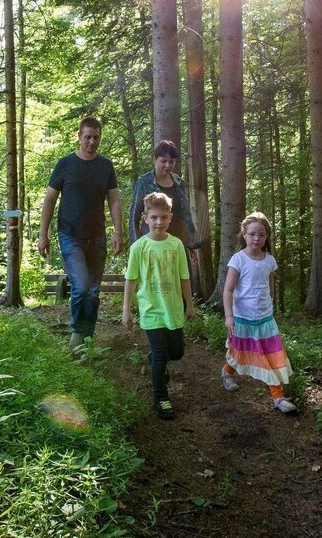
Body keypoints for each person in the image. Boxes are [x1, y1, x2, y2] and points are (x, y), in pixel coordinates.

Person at [38, 116, 123, 347]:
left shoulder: (105, 166)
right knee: (82, 286)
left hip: (97, 236)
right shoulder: (65, 164)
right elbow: (49, 199)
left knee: (93, 291)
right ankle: (77, 332)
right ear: (79, 136)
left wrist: (118, 232)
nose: (92, 142)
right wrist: (43, 234)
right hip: (70, 234)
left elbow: (114, 200)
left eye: (96, 137)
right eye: (88, 137)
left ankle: (88, 336)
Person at [121, 192, 195, 420]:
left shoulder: (176, 245)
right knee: (162, 354)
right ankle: (161, 397)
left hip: (173, 309)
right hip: (151, 310)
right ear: (145, 218)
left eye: (163, 217)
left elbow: (184, 277)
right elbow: (131, 280)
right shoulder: (139, 247)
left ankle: (155, 361)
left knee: (177, 352)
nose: (159, 222)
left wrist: (190, 305)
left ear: (170, 218)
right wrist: (126, 310)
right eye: (154, 217)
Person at [220, 212, 297, 414]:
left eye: (261, 235)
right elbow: (228, 290)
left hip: (265, 320)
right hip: (242, 319)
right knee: (239, 351)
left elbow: (270, 287)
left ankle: (278, 397)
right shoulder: (238, 260)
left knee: (272, 356)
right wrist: (229, 317)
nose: (257, 238)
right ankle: (227, 372)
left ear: (267, 237)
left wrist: (270, 306)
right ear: (244, 233)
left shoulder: (269, 260)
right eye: (252, 234)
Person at [128, 140, 201, 259]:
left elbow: (185, 215)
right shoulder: (144, 182)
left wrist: (191, 243)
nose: (168, 165)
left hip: (178, 244)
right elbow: (133, 217)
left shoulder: (179, 183)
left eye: (171, 161)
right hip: (153, 246)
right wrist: (137, 246)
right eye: (163, 161)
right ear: (155, 160)